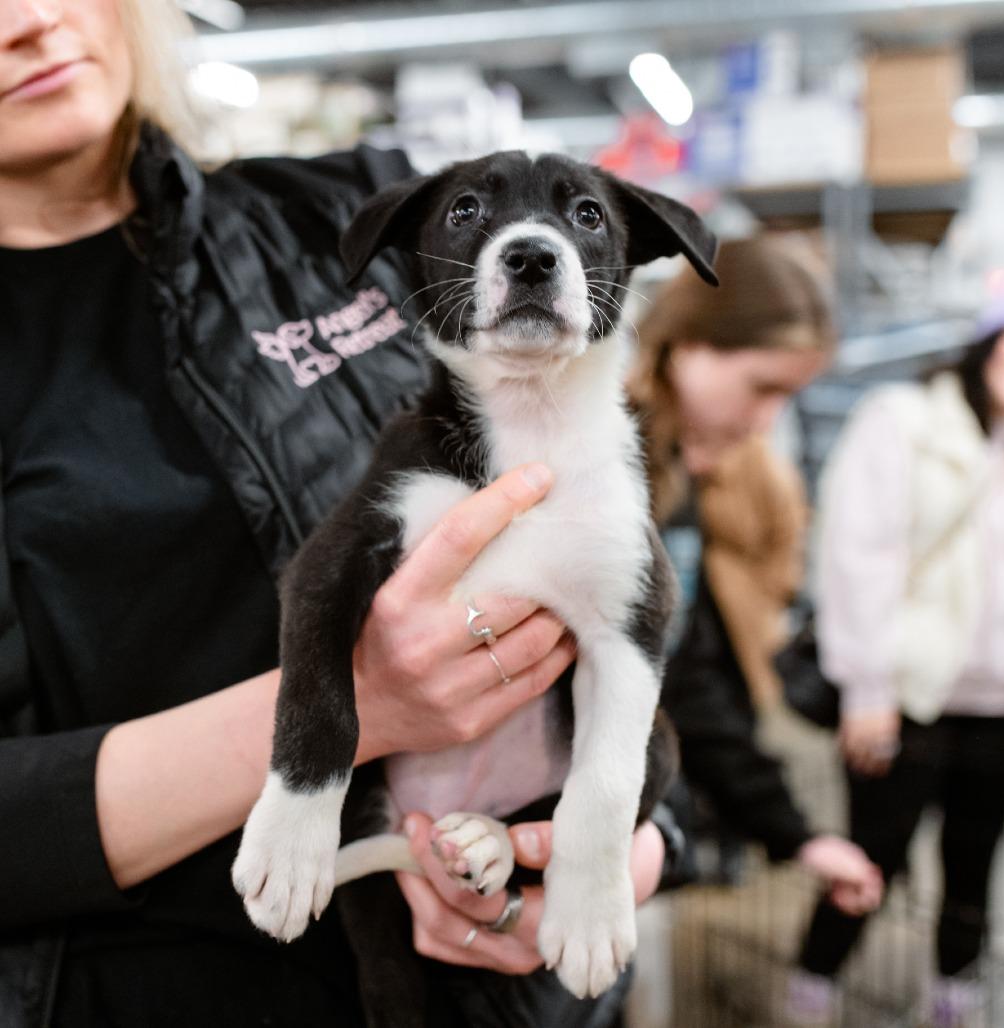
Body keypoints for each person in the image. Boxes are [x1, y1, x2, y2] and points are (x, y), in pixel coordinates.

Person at [0, 3, 668, 1026]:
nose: (29, 21)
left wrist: (627, 834)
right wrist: (363, 711)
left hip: (509, 987)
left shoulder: (338, 210)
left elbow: (625, 614)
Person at [788, 282, 1004, 1028]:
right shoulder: (904, 421)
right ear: (987, 344)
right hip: (907, 698)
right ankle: (808, 992)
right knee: (870, 861)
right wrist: (867, 690)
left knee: (973, 867)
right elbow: (859, 557)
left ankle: (953, 1005)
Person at [628, 237, 885, 907]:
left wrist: (795, 834)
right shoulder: (599, 464)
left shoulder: (679, 475)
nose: (768, 418)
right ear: (691, 346)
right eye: (762, 387)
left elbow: (683, 675)